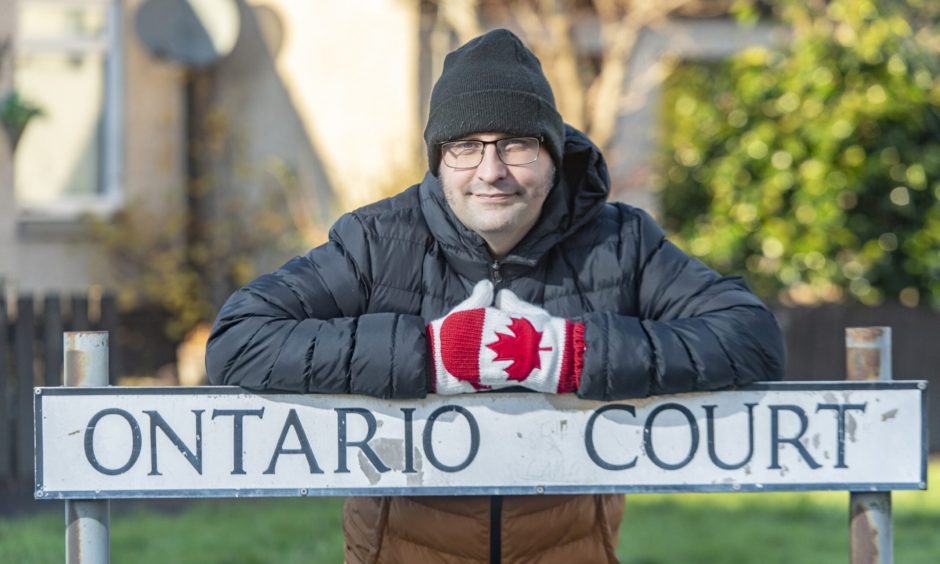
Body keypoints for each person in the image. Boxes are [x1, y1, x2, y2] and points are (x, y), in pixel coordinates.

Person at [206, 28, 785, 564]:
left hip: (570, 550)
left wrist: (570, 354)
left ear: (554, 156)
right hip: (402, 551)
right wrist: (429, 356)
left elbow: (750, 337)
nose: (491, 170)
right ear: (438, 159)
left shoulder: (619, 241)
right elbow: (239, 340)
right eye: (465, 146)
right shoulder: (377, 241)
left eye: (517, 145)